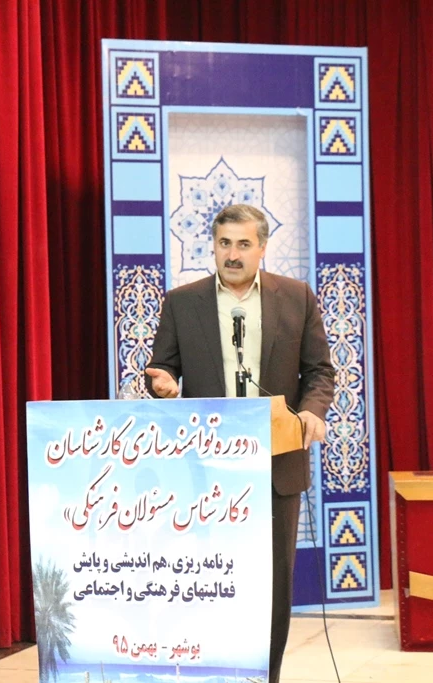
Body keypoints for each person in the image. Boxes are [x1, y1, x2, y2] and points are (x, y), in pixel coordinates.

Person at [144, 203, 334, 683]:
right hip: (206, 469)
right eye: (224, 243)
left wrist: (312, 411)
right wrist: (162, 382)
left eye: (244, 244)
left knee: (273, 583)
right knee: (210, 577)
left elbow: (319, 371)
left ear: (262, 248)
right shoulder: (182, 302)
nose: (233, 254)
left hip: (276, 463)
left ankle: (266, 676)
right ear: (213, 246)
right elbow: (163, 368)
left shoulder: (296, 297)